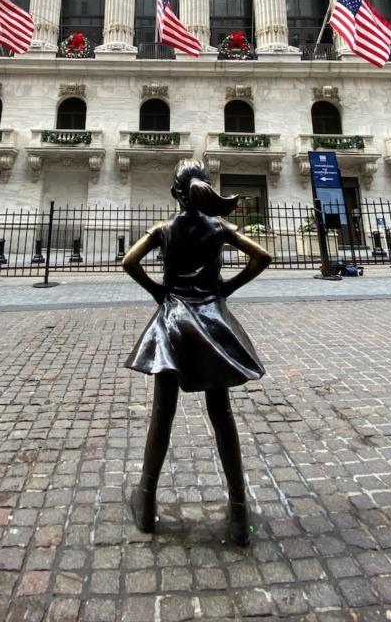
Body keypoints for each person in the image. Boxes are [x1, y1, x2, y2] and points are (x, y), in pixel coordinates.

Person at [122, 159, 272, 546]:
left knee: (162, 414)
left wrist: (159, 292)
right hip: (211, 322)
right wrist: (227, 289)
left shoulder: (165, 229)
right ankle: (239, 512)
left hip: (172, 323)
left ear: (176, 194)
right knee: (221, 415)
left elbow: (129, 262)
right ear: (204, 189)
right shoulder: (219, 227)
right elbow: (263, 258)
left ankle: (146, 503)